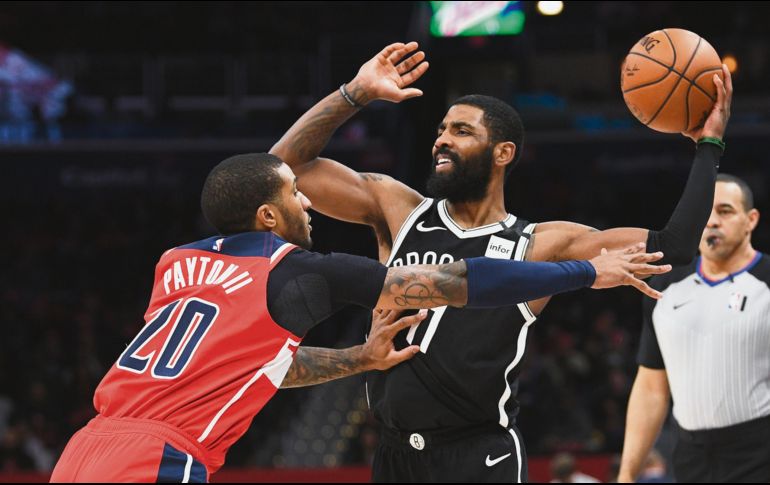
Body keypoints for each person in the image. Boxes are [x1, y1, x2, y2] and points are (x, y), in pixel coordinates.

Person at [269, 42, 732, 482]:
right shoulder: (397, 209)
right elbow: (279, 170)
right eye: (441, 131)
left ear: (503, 153)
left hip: (479, 458)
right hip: (392, 456)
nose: (442, 141)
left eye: (462, 131)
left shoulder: (541, 243)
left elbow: (674, 248)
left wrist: (708, 145)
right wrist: (356, 92)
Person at [49, 153, 666, 483]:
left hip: (85, 449)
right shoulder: (296, 270)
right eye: (295, 193)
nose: (308, 200)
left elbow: (258, 371)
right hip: (156, 457)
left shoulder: (174, 262)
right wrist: (584, 273)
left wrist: (358, 360)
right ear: (268, 216)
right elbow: (458, 282)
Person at [618, 174, 769, 483]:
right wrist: (626, 473)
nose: (712, 221)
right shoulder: (662, 287)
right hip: (690, 455)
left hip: (760, 449)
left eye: (725, 211)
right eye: (704, 213)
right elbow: (650, 388)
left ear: (750, 220)